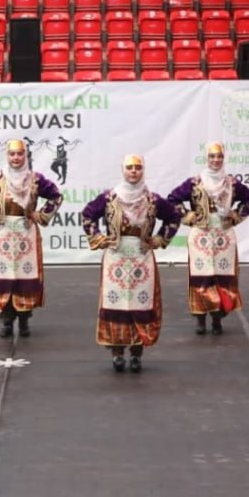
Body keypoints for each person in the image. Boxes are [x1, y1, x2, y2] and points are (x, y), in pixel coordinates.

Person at [81, 154, 182, 372]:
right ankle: (117, 352)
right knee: (116, 304)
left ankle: (137, 352)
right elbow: (87, 215)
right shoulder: (109, 198)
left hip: (141, 258)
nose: (134, 171)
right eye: (129, 167)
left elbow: (174, 217)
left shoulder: (153, 200)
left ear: (143, 170)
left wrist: (160, 238)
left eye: (138, 167)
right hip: (115, 259)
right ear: (122, 170)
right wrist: (99, 238)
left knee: (140, 304)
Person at [0, 138, 64, 338]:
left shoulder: (35, 179)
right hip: (2, 233)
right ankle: (6, 321)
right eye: (12, 154)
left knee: (24, 278)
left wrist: (41, 214)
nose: (16, 158)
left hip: (25, 233)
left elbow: (56, 195)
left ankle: (24, 320)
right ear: (7, 156)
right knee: (4, 279)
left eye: (20, 154)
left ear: (25, 155)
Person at [166, 141, 249, 336]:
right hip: (201, 236)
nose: (216, 160)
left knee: (222, 277)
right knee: (202, 277)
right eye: (212, 156)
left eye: (219, 157)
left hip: (224, 236)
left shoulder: (231, 183)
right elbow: (172, 199)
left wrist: (235, 215)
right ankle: (200, 318)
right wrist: (189, 217)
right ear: (206, 158)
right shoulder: (195, 182)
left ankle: (217, 319)